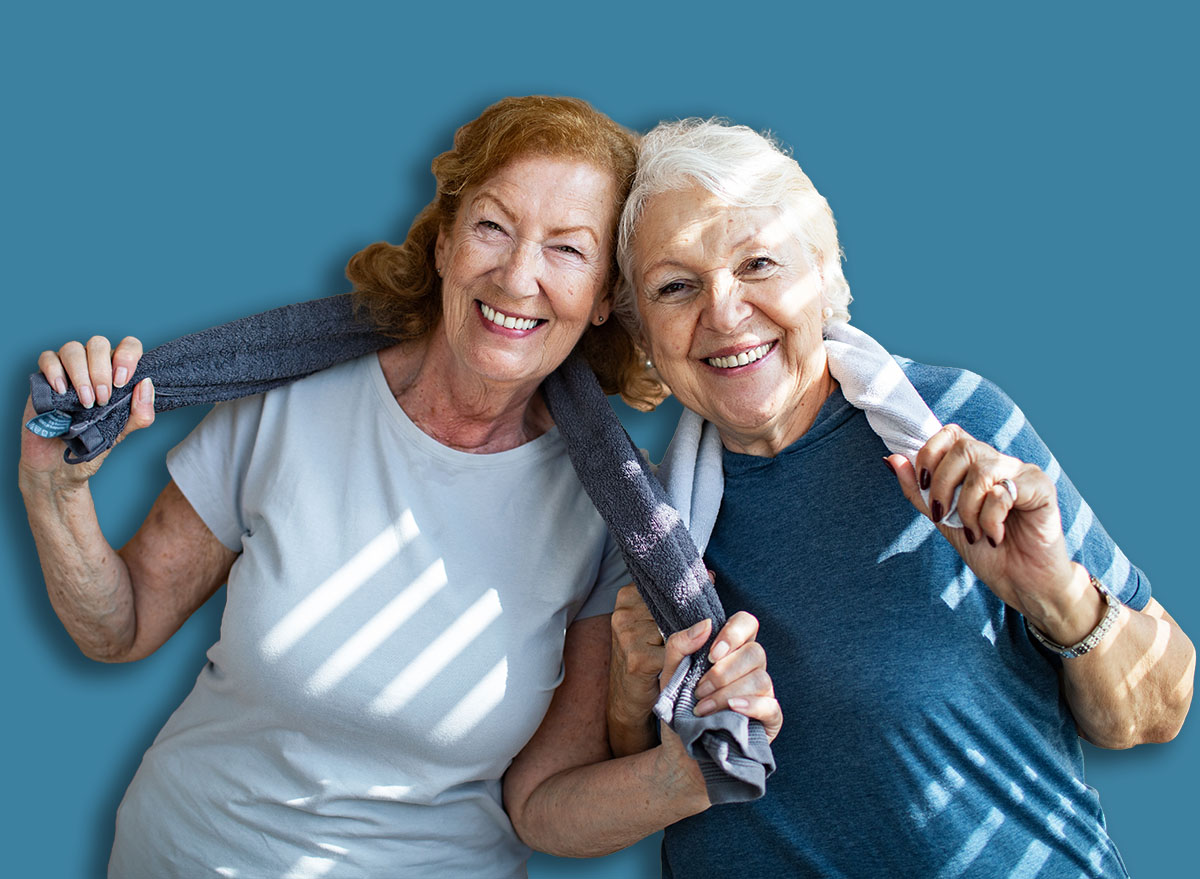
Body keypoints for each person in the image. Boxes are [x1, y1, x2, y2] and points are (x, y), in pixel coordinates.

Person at [18, 97, 779, 877]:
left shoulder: (618, 512)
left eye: (568, 249)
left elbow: (543, 805)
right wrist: (55, 493)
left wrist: (689, 773)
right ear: (445, 241)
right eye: (493, 226)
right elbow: (123, 626)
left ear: (603, 301)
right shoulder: (289, 396)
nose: (518, 276)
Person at [606, 118, 1195, 877]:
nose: (723, 312)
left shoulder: (957, 430)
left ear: (821, 273)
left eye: (758, 263)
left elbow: (1158, 710)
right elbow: (633, 786)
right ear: (640, 330)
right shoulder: (649, 521)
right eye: (676, 286)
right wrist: (630, 694)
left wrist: (1059, 597)